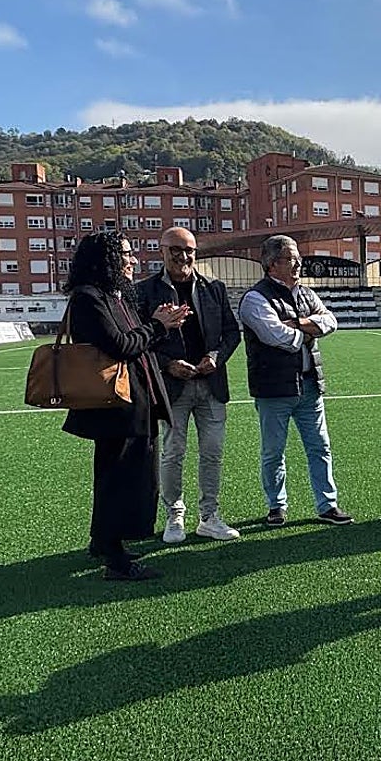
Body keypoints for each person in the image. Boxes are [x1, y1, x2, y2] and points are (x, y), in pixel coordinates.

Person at [61, 231, 190, 581]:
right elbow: (120, 345)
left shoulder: (113, 295)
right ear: (106, 260)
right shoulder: (89, 298)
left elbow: (136, 340)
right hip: (115, 405)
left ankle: (102, 542)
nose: (132, 260)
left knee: (114, 476)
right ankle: (116, 561)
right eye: (125, 255)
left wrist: (160, 324)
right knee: (120, 479)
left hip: (133, 402)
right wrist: (157, 326)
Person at [136, 226, 242, 544]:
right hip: (173, 386)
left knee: (212, 453)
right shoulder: (145, 292)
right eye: (176, 250)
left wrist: (216, 357)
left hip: (211, 384)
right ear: (162, 251)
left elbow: (231, 333)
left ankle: (209, 517)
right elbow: (139, 341)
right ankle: (174, 515)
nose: (183, 256)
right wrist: (168, 364)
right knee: (173, 453)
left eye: (189, 250)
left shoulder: (214, 288)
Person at [239, 235, 354, 527]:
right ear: (272, 263)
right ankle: (276, 506)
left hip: (309, 385)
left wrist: (301, 324)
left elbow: (331, 322)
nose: (298, 263)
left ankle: (327, 505)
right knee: (273, 451)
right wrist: (310, 328)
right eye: (291, 258)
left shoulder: (305, 293)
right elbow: (279, 337)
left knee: (320, 447)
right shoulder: (254, 298)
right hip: (274, 388)